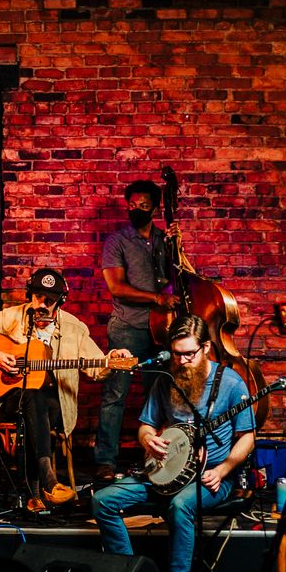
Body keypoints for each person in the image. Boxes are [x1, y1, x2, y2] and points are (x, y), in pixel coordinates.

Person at [92, 315, 256, 572]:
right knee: (102, 500)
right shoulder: (166, 380)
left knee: (181, 506)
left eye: (189, 354)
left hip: (212, 478)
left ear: (205, 348)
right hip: (164, 472)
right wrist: (147, 439)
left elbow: (247, 436)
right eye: (177, 354)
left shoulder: (231, 383)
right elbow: (146, 424)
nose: (182, 361)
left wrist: (223, 469)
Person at [0, 266, 131, 508]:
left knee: (35, 399)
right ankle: (48, 483)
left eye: (50, 300)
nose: (42, 304)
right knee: (31, 397)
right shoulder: (12, 317)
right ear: (30, 295)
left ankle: (33, 492)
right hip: (9, 401)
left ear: (60, 301)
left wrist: (112, 359)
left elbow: (96, 370)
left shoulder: (74, 328)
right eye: (38, 297)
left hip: (55, 407)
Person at [94, 178, 180, 484]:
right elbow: (116, 288)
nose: (136, 210)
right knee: (115, 394)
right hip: (126, 331)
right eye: (131, 205)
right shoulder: (117, 241)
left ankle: (156, 460)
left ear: (155, 208)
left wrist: (176, 247)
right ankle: (105, 461)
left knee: (158, 396)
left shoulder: (162, 239)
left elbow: (179, 278)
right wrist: (157, 298)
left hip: (161, 331)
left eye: (142, 206)